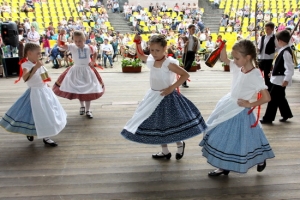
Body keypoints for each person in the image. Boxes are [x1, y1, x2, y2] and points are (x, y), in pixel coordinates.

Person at [121, 34, 207, 160]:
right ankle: (165, 151)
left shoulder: (169, 63)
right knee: (159, 125)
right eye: (152, 50)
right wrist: (138, 42)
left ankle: (179, 144)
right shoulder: (151, 60)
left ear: (164, 49)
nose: (154, 53)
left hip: (167, 97)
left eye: (157, 50)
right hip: (153, 96)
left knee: (171, 123)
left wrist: (171, 88)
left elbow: (185, 75)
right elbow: (140, 55)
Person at [200, 39, 275, 176]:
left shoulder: (255, 75)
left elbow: (267, 97)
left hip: (240, 109)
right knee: (222, 135)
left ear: (248, 57)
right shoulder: (237, 66)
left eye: (237, 58)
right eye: (233, 57)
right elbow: (223, 58)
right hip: (228, 104)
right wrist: (223, 46)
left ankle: (260, 158)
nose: (233, 60)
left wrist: (250, 104)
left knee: (247, 138)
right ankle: (223, 166)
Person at [0, 43, 67, 147]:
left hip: (44, 91)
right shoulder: (26, 65)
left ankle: (46, 135)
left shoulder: (38, 63)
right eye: (38, 53)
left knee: (47, 113)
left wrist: (46, 83)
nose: (40, 55)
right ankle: (31, 132)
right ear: (29, 53)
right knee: (36, 114)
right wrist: (36, 67)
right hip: (35, 93)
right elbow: (26, 78)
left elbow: (43, 76)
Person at [52, 30, 105, 119]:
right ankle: (82, 106)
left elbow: (95, 53)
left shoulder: (89, 47)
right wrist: (60, 35)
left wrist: (93, 61)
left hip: (87, 71)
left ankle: (88, 110)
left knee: (88, 89)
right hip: (76, 70)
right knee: (79, 89)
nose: (77, 43)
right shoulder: (72, 47)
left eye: (79, 41)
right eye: (75, 41)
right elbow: (61, 45)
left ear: (84, 39)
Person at [260, 30, 294, 124]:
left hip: (281, 80)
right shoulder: (282, 50)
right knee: (280, 97)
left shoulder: (286, 52)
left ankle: (268, 118)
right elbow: (279, 65)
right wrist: (272, 72)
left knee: (272, 98)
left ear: (281, 41)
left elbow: (289, 68)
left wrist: (286, 80)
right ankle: (286, 114)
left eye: (277, 40)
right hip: (278, 78)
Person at [257, 22, 278, 91]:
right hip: (261, 57)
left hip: (268, 58)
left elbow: (278, 47)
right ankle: (259, 86)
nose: (266, 30)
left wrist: (272, 50)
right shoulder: (262, 37)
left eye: (268, 29)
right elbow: (259, 47)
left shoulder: (274, 38)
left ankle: (268, 88)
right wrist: (257, 50)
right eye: (265, 29)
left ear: (272, 29)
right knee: (259, 73)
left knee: (266, 73)